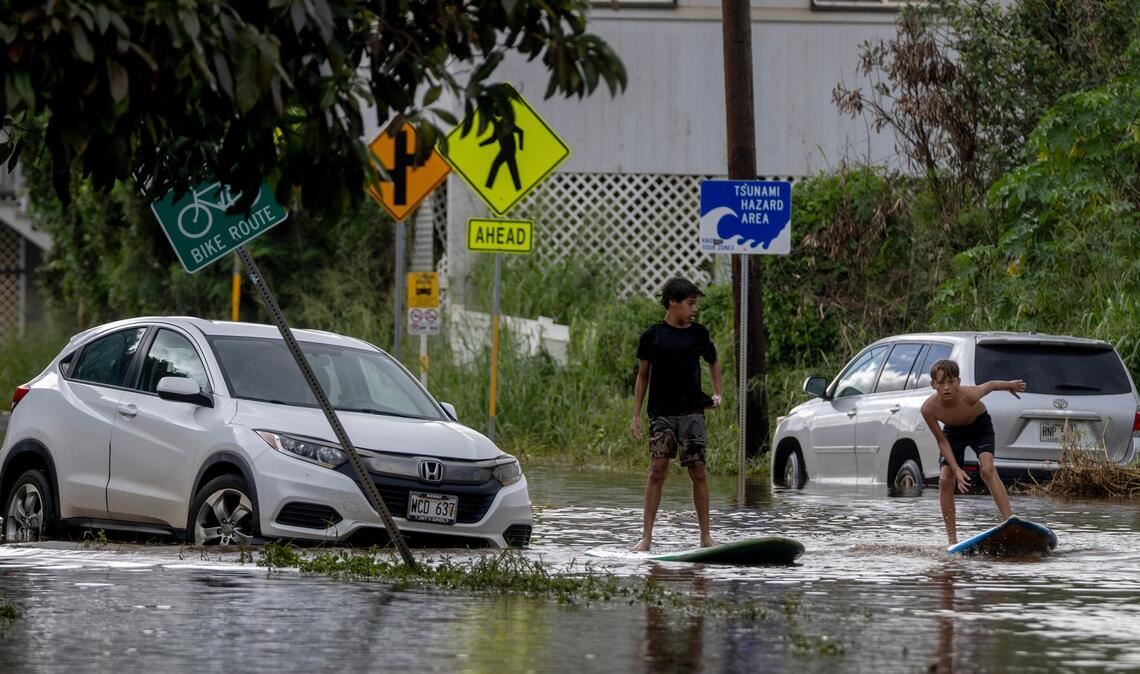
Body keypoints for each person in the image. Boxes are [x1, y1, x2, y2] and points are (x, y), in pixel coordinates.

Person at [630, 277, 723, 551]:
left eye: (696, 304)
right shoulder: (652, 336)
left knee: (698, 471)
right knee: (657, 470)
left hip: (692, 412)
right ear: (673, 302)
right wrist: (635, 415)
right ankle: (646, 537)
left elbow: (713, 360)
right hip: (661, 413)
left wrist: (717, 392)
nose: (694, 309)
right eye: (690, 303)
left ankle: (705, 536)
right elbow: (642, 376)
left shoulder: (698, 334)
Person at [920, 359, 1025, 545]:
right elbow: (942, 441)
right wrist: (956, 469)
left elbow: (991, 385)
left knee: (987, 469)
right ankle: (952, 540)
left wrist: (1010, 385)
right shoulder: (928, 409)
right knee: (945, 480)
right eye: (941, 383)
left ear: (958, 382)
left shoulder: (970, 394)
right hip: (952, 433)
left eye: (951, 382)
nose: (947, 388)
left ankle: (1010, 520)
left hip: (979, 427)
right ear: (933, 384)